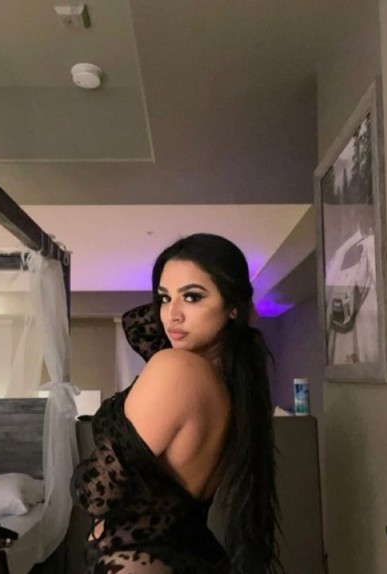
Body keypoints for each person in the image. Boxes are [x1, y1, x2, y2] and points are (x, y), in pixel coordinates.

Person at [71, 233, 281, 574]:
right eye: (165, 298)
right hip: (180, 556)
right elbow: (144, 329)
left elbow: (95, 493)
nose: (172, 314)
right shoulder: (227, 383)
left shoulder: (177, 369)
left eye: (193, 297)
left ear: (233, 306)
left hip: (137, 562)